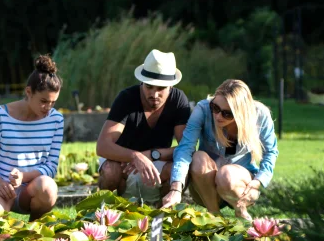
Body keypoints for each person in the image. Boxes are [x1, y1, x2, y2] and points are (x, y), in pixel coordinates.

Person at [162, 79, 278, 221]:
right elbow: (185, 147)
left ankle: (240, 211)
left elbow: (270, 152)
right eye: (215, 108)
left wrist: (259, 181)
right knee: (198, 157)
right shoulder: (203, 109)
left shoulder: (260, 114)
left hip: (239, 185)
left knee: (226, 174)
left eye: (226, 113)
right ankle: (214, 215)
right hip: (205, 187)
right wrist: (176, 188)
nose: (217, 116)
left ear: (240, 112)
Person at [96, 49, 191, 203]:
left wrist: (153, 154)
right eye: (149, 87)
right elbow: (102, 146)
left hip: (158, 166)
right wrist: (135, 156)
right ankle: (105, 212)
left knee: (180, 170)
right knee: (110, 170)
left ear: (171, 87)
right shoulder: (126, 98)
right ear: (142, 82)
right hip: (123, 165)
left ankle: (164, 213)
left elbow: (187, 148)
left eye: (161, 89)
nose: (154, 94)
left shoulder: (178, 100)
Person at [0, 55, 64, 220]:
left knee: (48, 187)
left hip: (31, 189)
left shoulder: (56, 120)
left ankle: (34, 230)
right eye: (44, 101)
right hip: (0, 188)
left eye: (53, 102)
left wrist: (24, 176)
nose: (48, 108)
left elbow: (51, 166)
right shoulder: (0, 115)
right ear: (29, 92)